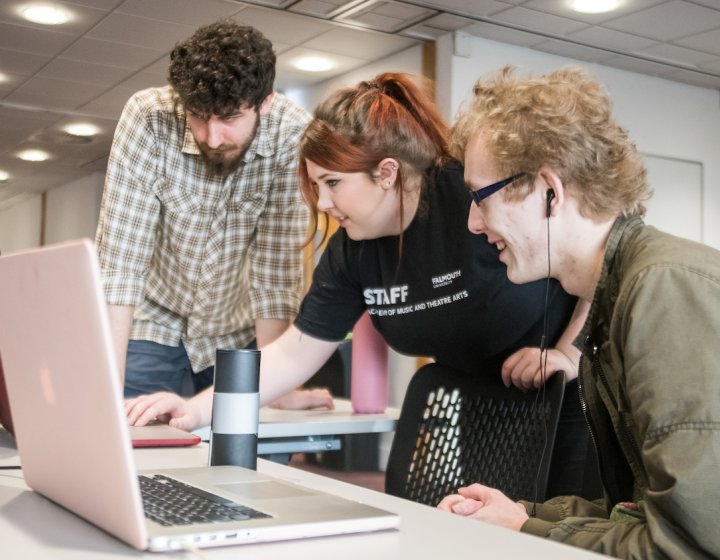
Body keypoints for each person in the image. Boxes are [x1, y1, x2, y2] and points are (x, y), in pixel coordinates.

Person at [126, 72, 593, 498]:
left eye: (333, 183)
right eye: (316, 186)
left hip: (567, 390)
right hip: (480, 399)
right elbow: (292, 353)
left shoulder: (467, 203)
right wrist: (197, 408)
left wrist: (568, 352)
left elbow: (594, 258)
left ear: (386, 173)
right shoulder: (353, 250)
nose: (324, 202)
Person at [436, 66, 720, 558]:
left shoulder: (662, 289)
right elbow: (633, 513)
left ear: (550, 191)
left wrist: (523, 529)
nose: (473, 223)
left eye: (480, 196)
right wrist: (519, 515)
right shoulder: (619, 293)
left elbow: (688, 545)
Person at [95, 20, 330, 409]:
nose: (212, 136)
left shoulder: (292, 134)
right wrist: (106, 389)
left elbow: (276, 276)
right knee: (131, 443)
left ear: (265, 103)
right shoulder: (148, 118)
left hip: (237, 330)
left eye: (230, 118)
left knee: (254, 447)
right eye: (199, 116)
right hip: (152, 321)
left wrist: (277, 391)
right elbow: (119, 268)